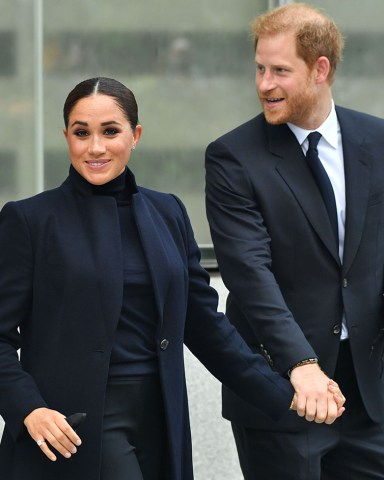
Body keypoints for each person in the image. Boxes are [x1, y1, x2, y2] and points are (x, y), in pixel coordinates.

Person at [0, 76, 339, 480]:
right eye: (81, 133)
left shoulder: (168, 213)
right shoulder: (29, 220)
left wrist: (287, 398)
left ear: (135, 134)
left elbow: (207, 327)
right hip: (78, 423)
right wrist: (28, 410)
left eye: (110, 131)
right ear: (66, 136)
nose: (95, 147)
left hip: (161, 417)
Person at [205, 3, 384, 480]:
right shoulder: (232, 158)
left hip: (370, 396)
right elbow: (248, 272)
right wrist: (300, 364)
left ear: (320, 69)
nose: (264, 84)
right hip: (282, 392)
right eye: (260, 69)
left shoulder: (377, 141)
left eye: (280, 70)